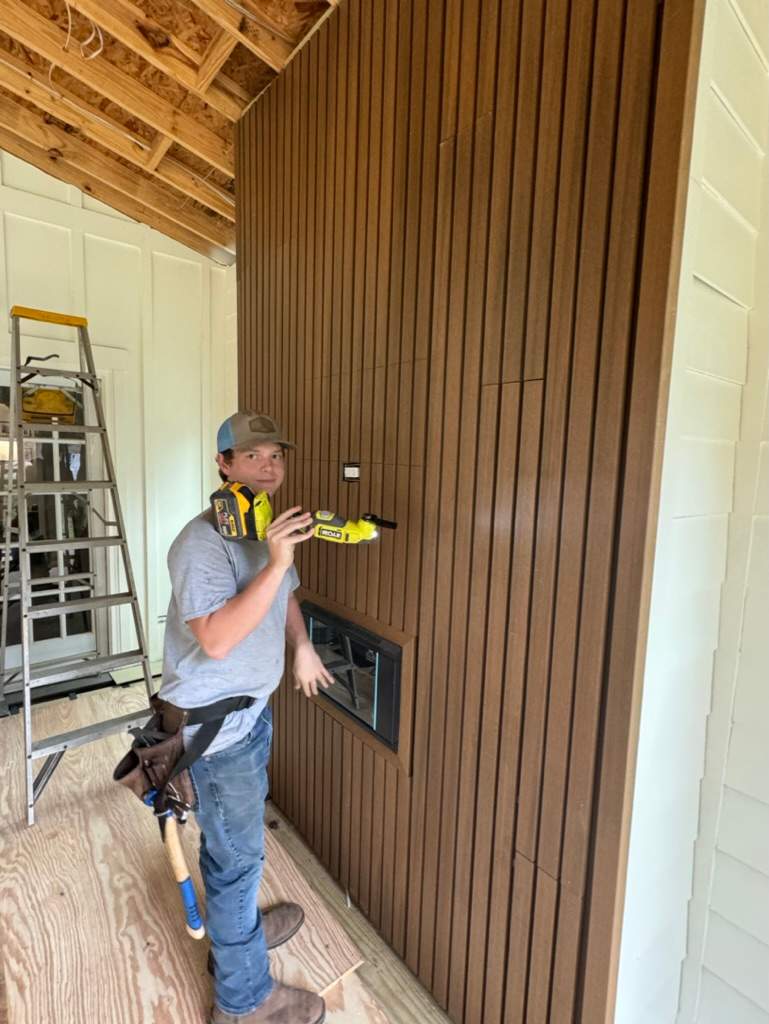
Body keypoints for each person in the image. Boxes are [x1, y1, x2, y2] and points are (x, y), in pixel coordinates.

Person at [159, 411, 334, 1024]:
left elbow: (282, 597)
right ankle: (243, 1001)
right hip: (216, 729)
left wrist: (303, 645)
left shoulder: (266, 529)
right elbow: (216, 641)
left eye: (276, 456)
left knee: (237, 845)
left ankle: (239, 934)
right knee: (237, 860)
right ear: (223, 465)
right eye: (252, 455)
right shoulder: (199, 543)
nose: (268, 465)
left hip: (251, 714)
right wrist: (280, 562)